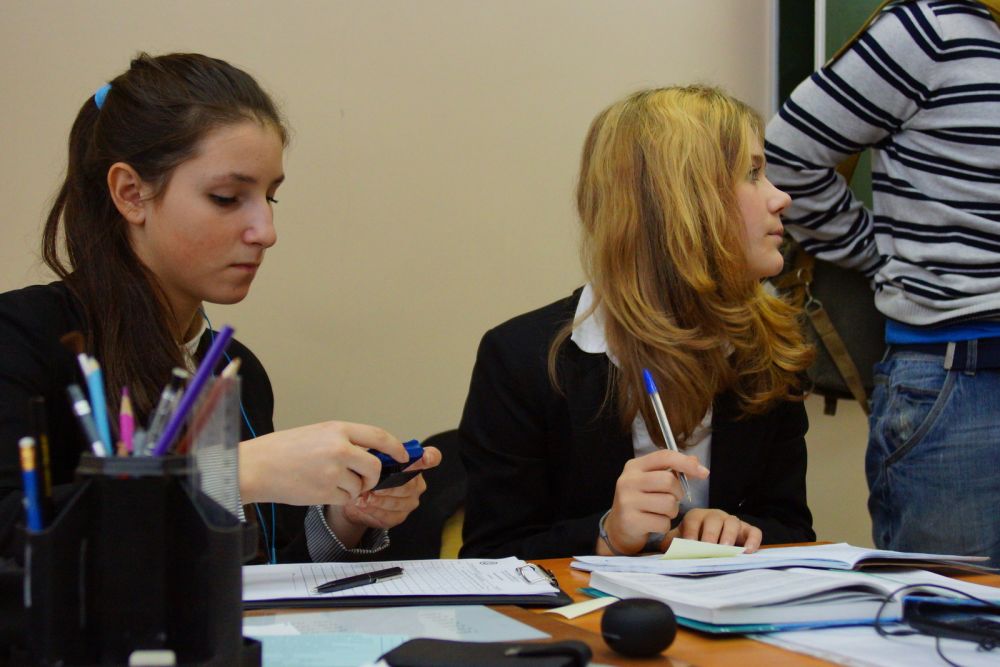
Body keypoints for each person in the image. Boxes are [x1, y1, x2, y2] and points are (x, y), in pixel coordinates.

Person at [0, 52, 441, 563]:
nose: (266, 233)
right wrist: (230, 473)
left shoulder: (236, 370)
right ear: (131, 193)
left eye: (270, 198)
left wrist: (347, 518)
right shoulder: (22, 337)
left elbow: (257, 576)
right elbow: (13, 536)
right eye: (228, 197)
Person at [459, 85, 816, 560]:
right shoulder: (520, 359)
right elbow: (490, 556)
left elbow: (792, 528)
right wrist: (606, 534)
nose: (781, 198)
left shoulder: (772, 348)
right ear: (679, 204)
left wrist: (737, 532)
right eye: (752, 174)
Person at [765, 0, 1000, 565]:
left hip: (963, 376)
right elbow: (787, 159)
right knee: (949, 610)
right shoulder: (929, 30)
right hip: (960, 377)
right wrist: (876, 253)